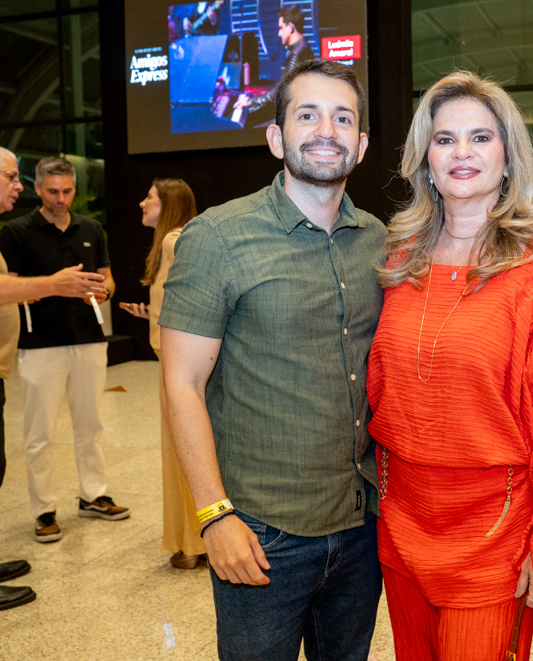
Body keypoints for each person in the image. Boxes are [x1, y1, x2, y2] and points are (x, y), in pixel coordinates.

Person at [159, 59, 384, 661]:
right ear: (276, 136)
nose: (326, 130)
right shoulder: (217, 237)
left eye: (343, 118)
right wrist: (214, 517)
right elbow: (180, 383)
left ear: (360, 144)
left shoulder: (381, 242)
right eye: (306, 114)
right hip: (261, 531)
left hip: (362, 526)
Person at [366, 70, 533, 661]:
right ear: (426, 159)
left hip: (497, 532)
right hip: (403, 521)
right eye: (445, 140)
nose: (462, 152)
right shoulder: (398, 261)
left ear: (509, 156)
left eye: (481, 137)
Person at [0, 156, 129, 545]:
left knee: (90, 426)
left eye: (67, 191)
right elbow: (12, 286)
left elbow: (108, 280)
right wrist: (55, 284)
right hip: (40, 344)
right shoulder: (15, 231)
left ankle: (93, 494)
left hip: (89, 338)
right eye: (52, 191)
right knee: (39, 433)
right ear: (38, 188)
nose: (60, 199)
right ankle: (43, 510)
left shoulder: (90, 228)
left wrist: (103, 290)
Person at [119, 179, 202, 569]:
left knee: (181, 451)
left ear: (166, 204)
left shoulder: (173, 241)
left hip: (177, 365)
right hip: (177, 359)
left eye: (149, 197)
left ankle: (194, 542)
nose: (142, 202)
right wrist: (152, 315)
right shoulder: (177, 240)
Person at [236, 5, 314, 120]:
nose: (279, 33)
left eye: (281, 28)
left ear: (290, 27)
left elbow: (282, 92)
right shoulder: (302, 48)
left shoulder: (296, 55)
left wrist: (251, 101)